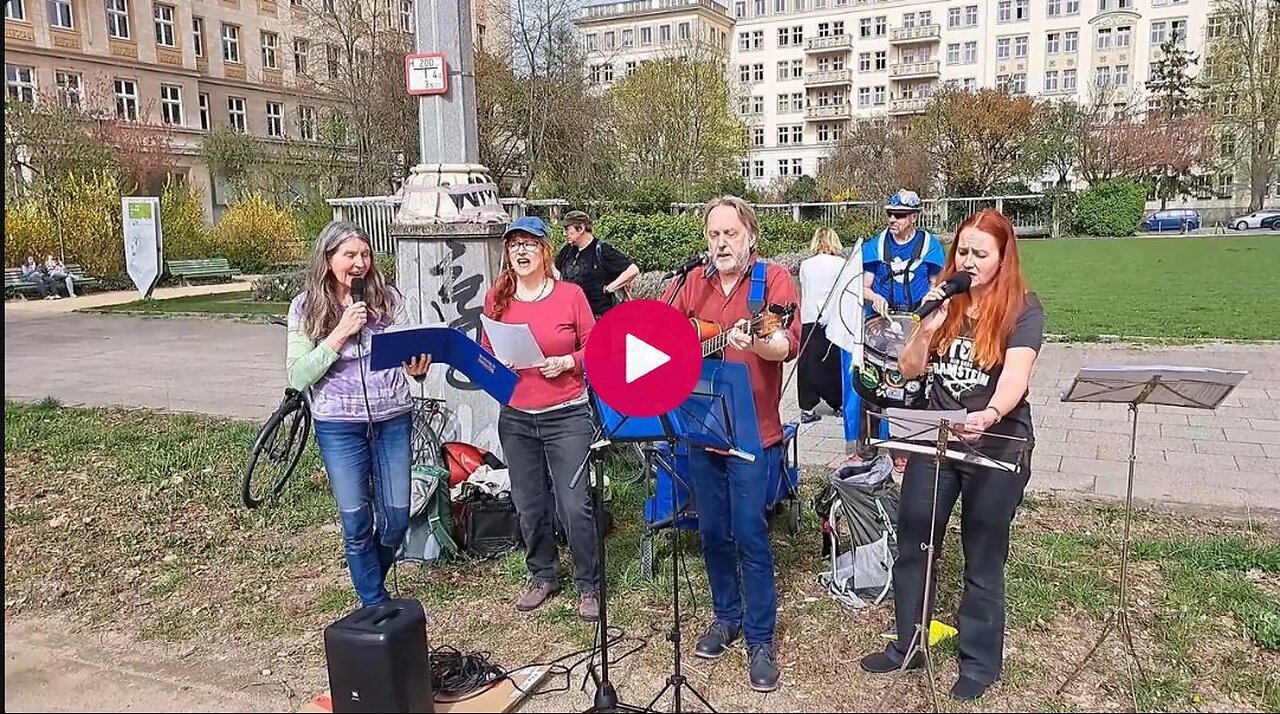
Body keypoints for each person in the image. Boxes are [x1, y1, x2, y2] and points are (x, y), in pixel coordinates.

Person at [858, 209, 1045, 702]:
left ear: (1003, 258)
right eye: (963, 251)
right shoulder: (946, 302)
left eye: (980, 254)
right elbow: (910, 368)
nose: (968, 261)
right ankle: (909, 643)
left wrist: (990, 413)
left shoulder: (1023, 308)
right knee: (915, 540)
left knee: (983, 554)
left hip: (995, 442)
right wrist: (925, 325)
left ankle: (980, 662)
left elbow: (1016, 376)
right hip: (935, 438)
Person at [659, 195, 802, 693]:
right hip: (702, 430)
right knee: (712, 532)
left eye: (731, 233)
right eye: (714, 234)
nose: (722, 242)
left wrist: (756, 341)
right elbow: (664, 337)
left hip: (752, 434)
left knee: (750, 535)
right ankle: (726, 616)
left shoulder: (773, 282)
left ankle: (761, 639)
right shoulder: (691, 282)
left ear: (750, 236)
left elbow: (783, 343)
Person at [285, 220, 432, 608]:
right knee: (356, 522)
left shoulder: (388, 299)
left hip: (392, 418)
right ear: (328, 259)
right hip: (338, 425)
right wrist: (340, 332)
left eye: (365, 254)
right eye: (349, 255)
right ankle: (374, 603)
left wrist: (416, 369)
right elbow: (299, 375)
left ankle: (371, 585)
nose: (359, 263)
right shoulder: (306, 306)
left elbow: (407, 353)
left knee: (398, 517)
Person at [480, 216, 602, 622]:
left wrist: (568, 360)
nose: (520, 250)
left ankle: (589, 582)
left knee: (574, 503)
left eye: (529, 243)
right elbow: (485, 349)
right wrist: (498, 363)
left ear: (544, 249)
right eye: (513, 244)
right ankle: (542, 573)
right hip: (516, 416)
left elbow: (596, 346)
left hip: (565, 414)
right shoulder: (497, 297)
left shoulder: (570, 296)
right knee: (529, 503)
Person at [840, 189, 947, 454]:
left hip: (916, 322)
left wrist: (930, 305)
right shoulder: (875, 245)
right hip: (881, 321)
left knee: (914, 385)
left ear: (913, 217)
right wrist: (874, 296)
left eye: (899, 215)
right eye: (890, 214)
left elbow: (938, 284)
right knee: (874, 382)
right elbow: (861, 287)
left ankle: (908, 447)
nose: (892, 219)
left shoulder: (929, 245)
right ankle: (867, 446)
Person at [797, 226, 845, 423]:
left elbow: (803, 288)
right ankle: (838, 402)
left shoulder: (806, 265)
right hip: (832, 317)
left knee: (807, 362)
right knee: (833, 361)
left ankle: (807, 406)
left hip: (810, 316)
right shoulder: (841, 264)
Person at [553, 210, 640, 319]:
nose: (564, 234)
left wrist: (610, 288)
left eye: (567, 229)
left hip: (598, 317)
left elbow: (633, 270)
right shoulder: (567, 250)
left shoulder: (601, 250)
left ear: (581, 228)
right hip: (572, 316)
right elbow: (554, 269)